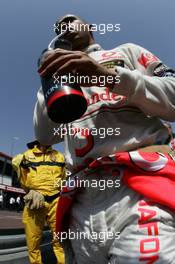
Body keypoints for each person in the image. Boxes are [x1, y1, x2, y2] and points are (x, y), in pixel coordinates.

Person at [34, 14, 175, 263]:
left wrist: (109, 77)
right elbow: (45, 136)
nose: (64, 27)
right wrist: (48, 81)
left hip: (139, 186)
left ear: (90, 28)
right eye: (58, 27)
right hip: (82, 199)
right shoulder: (55, 74)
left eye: (70, 21)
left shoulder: (126, 52)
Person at [12, 140, 66, 264]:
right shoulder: (26, 155)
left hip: (56, 200)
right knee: (33, 241)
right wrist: (30, 192)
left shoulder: (59, 156)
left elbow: (63, 179)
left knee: (60, 240)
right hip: (35, 201)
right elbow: (23, 177)